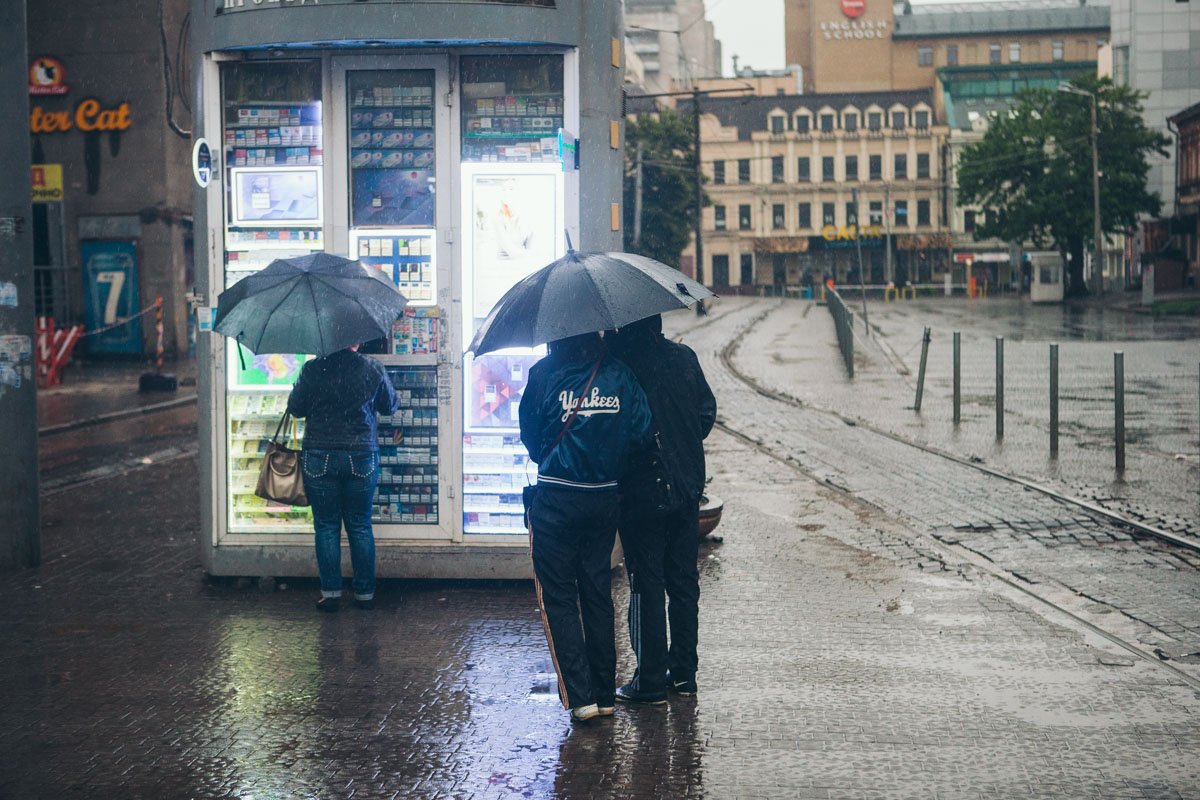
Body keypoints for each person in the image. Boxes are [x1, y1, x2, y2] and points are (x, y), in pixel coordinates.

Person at [518, 332, 652, 723]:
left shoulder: (543, 374)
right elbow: (642, 430)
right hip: (603, 497)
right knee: (596, 592)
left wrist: (554, 453)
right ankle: (605, 692)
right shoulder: (619, 374)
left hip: (557, 498)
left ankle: (581, 697)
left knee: (558, 596)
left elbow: (530, 434)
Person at [606, 314, 716, 704]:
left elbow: (619, 426)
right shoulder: (684, 358)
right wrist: (681, 440)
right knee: (683, 583)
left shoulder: (619, 362)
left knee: (647, 583)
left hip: (641, 493)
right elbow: (706, 414)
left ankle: (650, 679)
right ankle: (685, 675)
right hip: (685, 488)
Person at [287, 344, 397, 613]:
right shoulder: (372, 368)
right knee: (359, 525)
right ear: (356, 340)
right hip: (361, 453)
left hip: (319, 453)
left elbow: (295, 408)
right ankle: (365, 593)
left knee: (326, 525)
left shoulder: (312, 369)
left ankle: (331, 594)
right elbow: (390, 406)